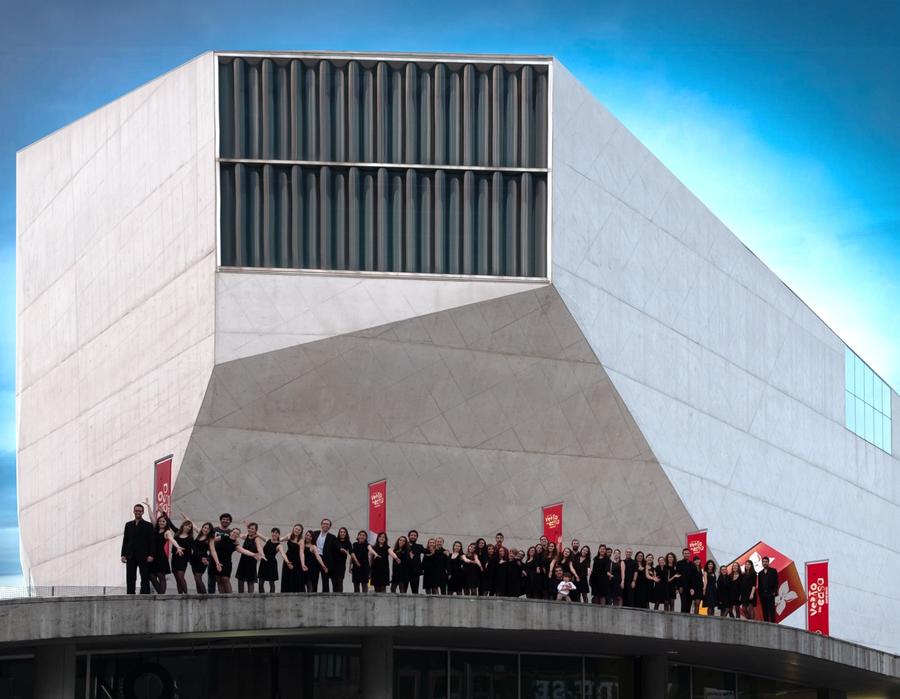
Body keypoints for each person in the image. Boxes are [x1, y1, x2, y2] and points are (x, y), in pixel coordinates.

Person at [209, 528, 259, 594]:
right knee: (218, 580)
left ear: (238, 536)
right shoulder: (222, 537)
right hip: (215, 561)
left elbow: (243, 551)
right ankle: (222, 598)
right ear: (230, 532)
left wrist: (254, 554)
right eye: (234, 532)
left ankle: (230, 597)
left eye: (237, 534)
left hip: (226, 563)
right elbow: (211, 540)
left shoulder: (235, 544)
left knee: (225, 579)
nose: (235, 534)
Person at [121, 503, 155, 594]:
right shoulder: (128, 525)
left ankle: (145, 594)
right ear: (133, 511)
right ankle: (130, 594)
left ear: (143, 512)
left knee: (144, 576)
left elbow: (151, 542)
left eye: (140, 511)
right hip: (130, 555)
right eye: (136, 511)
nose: (138, 512)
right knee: (130, 576)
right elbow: (125, 540)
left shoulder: (148, 525)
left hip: (144, 555)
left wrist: (151, 555)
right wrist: (123, 555)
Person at [149, 513, 181, 594]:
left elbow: (172, 540)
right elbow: (152, 518)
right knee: (151, 576)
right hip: (153, 555)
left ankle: (161, 595)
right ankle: (161, 594)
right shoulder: (156, 529)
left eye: (163, 521)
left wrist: (177, 546)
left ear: (166, 523)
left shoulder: (167, 532)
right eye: (160, 521)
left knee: (161, 576)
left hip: (160, 556)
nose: (161, 523)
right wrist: (149, 506)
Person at [310, 519, 340, 592]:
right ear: (321, 525)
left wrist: (342, 549)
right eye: (324, 523)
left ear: (329, 526)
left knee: (325, 579)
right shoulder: (314, 533)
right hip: (314, 558)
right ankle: (314, 594)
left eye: (327, 524)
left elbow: (337, 546)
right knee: (314, 578)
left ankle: (325, 595)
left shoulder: (332, 537)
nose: (325, 525)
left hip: (326, 560)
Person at [235, 523, 265, 593]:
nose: (250, 530)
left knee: (250, 581)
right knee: (240, 579)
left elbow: (259, 547)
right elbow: (240, 535)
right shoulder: (247, 536)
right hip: (243, 560)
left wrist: (262, 554)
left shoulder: (256, 538)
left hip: (251, 561)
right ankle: (240, 597)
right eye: (249, 528)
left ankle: (251, 599)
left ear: (255, 530)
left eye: (252, 529)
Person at [207, 513, 233, 594]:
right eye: (224, 519)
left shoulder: (231, 532)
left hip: (225, 559)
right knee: (214, 580)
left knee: (225, 579)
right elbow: (207, 538)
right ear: (220, 520)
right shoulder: (214, 530)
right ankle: (214, 599)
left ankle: (229, 598)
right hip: (213, 558)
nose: (225, 521)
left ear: (230, 522)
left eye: (227, 520)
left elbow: (236, 542)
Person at [170, 520, 194, 594]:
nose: (188, 527)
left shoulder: (190, 538)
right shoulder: (177, 533)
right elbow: (171, 524)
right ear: (183, 526)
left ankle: (186, 595)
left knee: (180, 576)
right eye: (186, 525)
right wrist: (164, 514)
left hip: (183, 559)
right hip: (175, 558)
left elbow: (192, 549)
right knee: (177, 578)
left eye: (190, 526)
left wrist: (191, 560)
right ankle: (180, 595)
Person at [280, 525, 305, 593]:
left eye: (299, 530)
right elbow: (280, 539)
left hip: (296, 561)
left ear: (301, 532)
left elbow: (301, 553)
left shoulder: (301, 540)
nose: (297, 530)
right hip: (287, 559)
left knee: (295, 578)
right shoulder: (289, 535)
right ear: (293, 529)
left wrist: (303, 564)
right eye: (296, 529)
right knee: (287, 577)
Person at [190, 522, 214, 594]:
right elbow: (193, 525)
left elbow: (212, 551)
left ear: (210, 531)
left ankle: (205, 597)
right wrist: (186, 518)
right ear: (202, 528)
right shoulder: (199, 535)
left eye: (208, 529)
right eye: (205, 527)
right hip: (194, 559)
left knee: (198, 578)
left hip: (203, 560)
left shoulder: (210, 538)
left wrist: (208, 559)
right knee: (196, 579)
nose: (206, 529)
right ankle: (199, 597)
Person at [257, 528, 281, 593]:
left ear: (279, 534)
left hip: (272, 564)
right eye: (273, 532)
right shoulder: (267, 540)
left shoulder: (279, 545)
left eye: (276, 533)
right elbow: (257, 533)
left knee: (271, 582)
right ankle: (261, 598)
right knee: (261, 583)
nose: (274, 534)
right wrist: (248, 525)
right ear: (271, 533)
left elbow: (283, 554)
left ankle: (271, 598)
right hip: (263, 563)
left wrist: (287, 561)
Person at [757, 556, 780, 622]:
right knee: (764, 610)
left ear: (768, 562)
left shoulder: (773, 571)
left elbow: (776, 582)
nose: (765, 563)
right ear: (762, 563)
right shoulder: (760, 573)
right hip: (763, 595)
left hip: (770, 594)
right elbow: (760, 585)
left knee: (771, 610)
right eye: (763, 562)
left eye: (766, 562)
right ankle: (766, 623)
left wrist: (774, 592)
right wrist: (760, 594)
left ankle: (773, 623)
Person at [675, 548, 695, 613]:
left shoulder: (692, 564)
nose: (686, 555)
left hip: (690, 587)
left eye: (688, 553)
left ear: (690, 554)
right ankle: (682, 620)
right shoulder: (679, 563)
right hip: (682, 587)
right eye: (685, 553)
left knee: (689, 604)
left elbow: (693, 577)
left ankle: (688, 620)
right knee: (684, 603)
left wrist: (692, 588)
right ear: (683, 554)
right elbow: (678, 576)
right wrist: (679, 586)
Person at [333, 527, 353, 592]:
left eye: (344, 532)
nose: (342, 533)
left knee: (340, 582)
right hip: (333, 565)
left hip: (341, 565)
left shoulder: (348, 542)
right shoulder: (335, 540)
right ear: (339, 533)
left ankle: (340, 599)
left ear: (346, 533)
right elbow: (338, 547)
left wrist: (355, 560)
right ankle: (335, 599)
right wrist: (343, 549)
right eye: (341, 532)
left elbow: (351, 552)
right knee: (334, 583)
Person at [407, 530, 424, 595]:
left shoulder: (419, 546)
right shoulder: (405, 545)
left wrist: (443, 551)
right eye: (412, 535)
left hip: (415, 572)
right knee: (403, 591)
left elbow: (428, 551)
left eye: (415, 535)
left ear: (417, 537)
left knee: (415, 591)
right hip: (405, 571)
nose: (413, 537)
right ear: (408, 536)